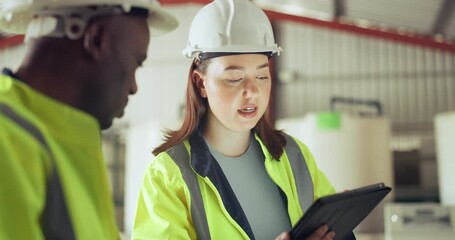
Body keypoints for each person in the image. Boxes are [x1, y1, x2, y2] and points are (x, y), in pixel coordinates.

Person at [133, 0, 353, 239]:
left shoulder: (294, 156)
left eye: (261, 76)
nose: (252, 91)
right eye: (234, 78)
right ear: (200, 83)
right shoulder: (168, 175)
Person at [0, 0, 177, 239]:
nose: (134, 87)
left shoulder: (66, 139)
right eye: (136, 63)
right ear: (96, 40)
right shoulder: (8, 141)